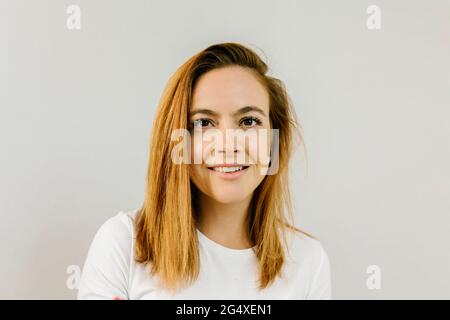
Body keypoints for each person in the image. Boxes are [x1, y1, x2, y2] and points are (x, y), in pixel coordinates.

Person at [77, 42, 331, 299]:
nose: (227, 144)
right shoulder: (123, 242)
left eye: (249, 121)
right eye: (204, 123)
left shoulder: (308, 260)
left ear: (274, 140)